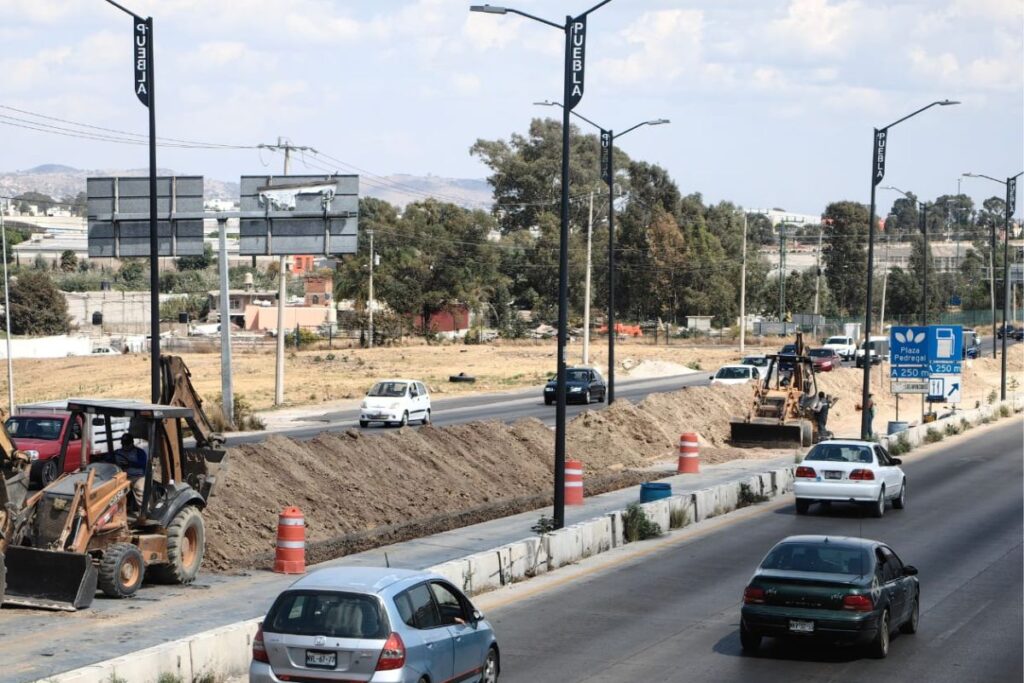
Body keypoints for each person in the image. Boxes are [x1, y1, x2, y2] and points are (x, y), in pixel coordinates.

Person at [102, 433, 148, 509]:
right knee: (113, 491)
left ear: (132, 443)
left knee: (140, 488)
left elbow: (142, 464)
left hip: (138, 476)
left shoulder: (139, 452)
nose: (125, 446)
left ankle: (143, 511)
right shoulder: (118, 453)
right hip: (123, 477)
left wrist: (129, 464)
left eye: (127, 444)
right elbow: (108, 460)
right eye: (124, 444)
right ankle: (119, 510)